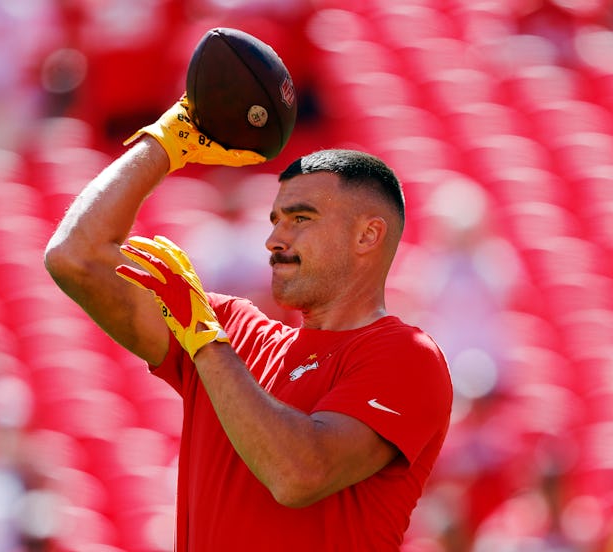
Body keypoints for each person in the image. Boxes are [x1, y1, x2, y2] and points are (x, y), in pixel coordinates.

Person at [44, 95, 453, 550]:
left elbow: (298, 474)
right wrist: (166, 140)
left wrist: (205, 341)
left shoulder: (407, 356)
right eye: (275, 221)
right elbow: (74, 258)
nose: (274, 239)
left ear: (366, 236)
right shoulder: (228, 328)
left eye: (301, 219)